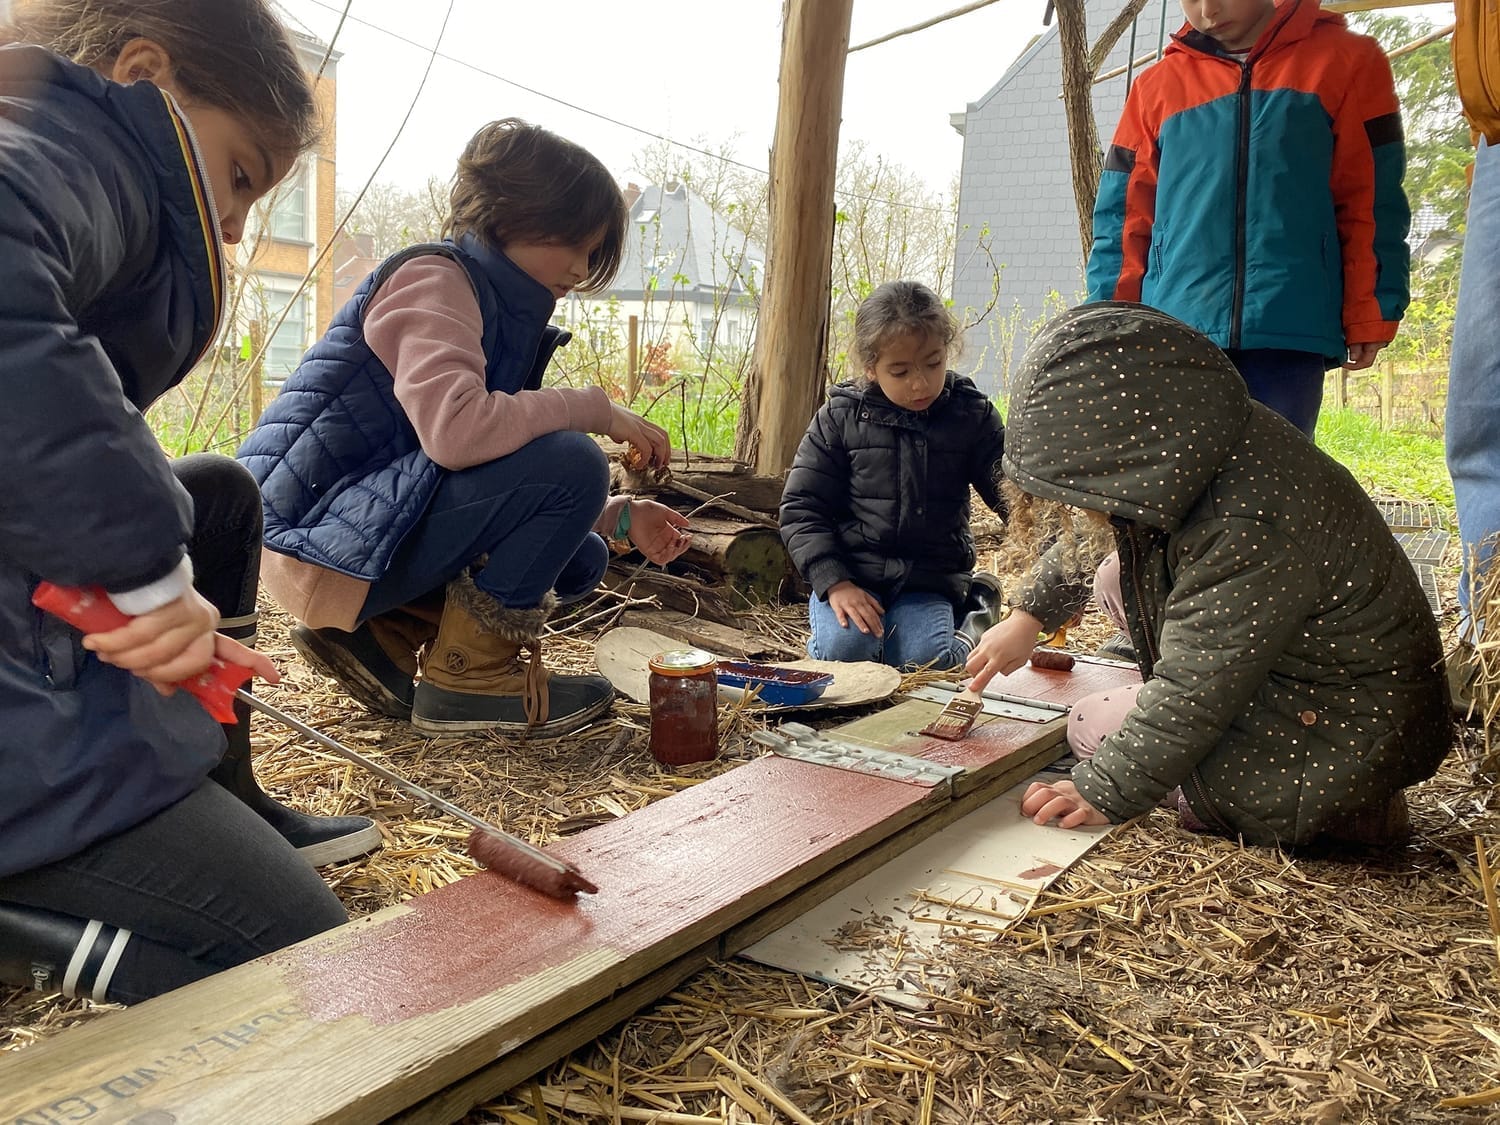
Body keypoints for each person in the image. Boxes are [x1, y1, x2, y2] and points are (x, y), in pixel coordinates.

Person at [0, 0, 354, 1005]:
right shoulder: (77, 135)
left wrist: (126, 604)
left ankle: (202, 796)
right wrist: (142, 573)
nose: (239, 224)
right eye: (242, 173)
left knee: (212, 496)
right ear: (144, 74)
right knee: (304, 972)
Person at [238, 118, 692, 739]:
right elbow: (457, 434)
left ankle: (384, 639)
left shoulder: (499, 303)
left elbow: (491, 475)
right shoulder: (436, 281)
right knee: (576, 458)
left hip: (351, 538)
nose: (583, 270)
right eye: (576, 246)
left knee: (578, 558)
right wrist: (594, 409)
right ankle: (468, 684)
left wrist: (614, 517)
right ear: (512, 217)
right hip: (318, 547)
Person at [966, 303, 1452, 848]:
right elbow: (1111, 538)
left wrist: (1103, 790)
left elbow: (1197, 686)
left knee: (1088, 723)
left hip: (1342, 742)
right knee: (1112, 571)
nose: (1082, 507)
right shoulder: (1207, 439)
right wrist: (1029, 616)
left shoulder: (1244, 525)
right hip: (1323, 675)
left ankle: (1337, 816)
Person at [1086, 0, 1411, 438]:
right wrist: (1110, 319)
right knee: (1178, 484)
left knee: (1277, 480)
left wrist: (1370, 305)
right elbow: (1123, 216)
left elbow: (1371, 198)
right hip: (1178, 330)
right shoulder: (1155, 87)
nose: (1207, 8)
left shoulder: (1345, 61)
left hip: (1290, 326)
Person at [779, 280, 1008, 671]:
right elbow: (801, 507)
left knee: (925, 662)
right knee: (844, 654)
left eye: (933, 364)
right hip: (853, 574)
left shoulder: (971, 415)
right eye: (900, 371)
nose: (920, 383)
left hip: (928, 579)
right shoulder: (839, 418)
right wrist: (835, 582)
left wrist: (1050, 566)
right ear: (871, 368)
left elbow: (1013, 495)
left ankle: (979, 610)